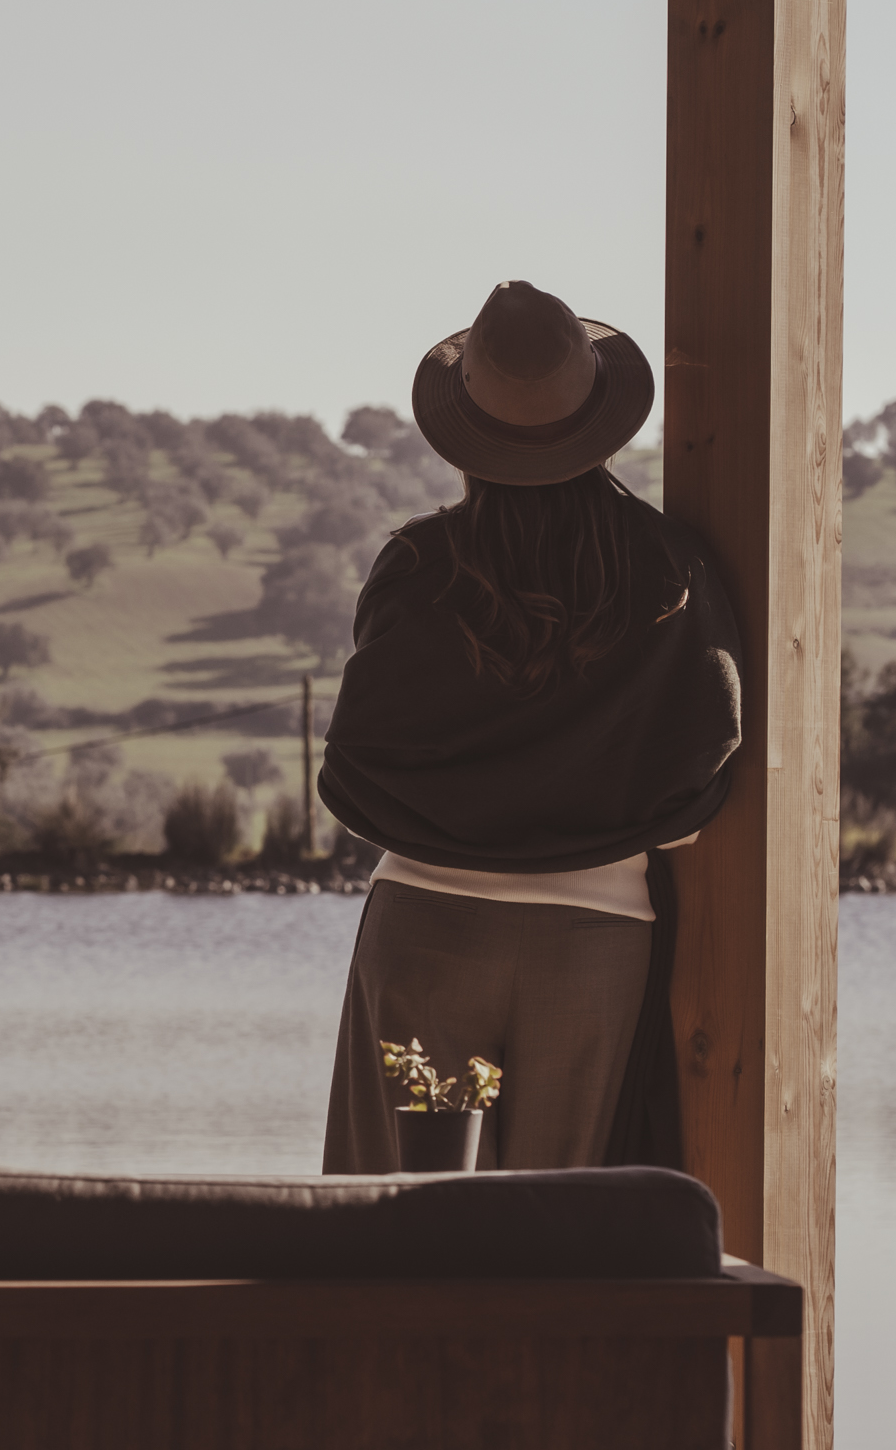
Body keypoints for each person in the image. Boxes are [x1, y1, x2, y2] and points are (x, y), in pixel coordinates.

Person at [319, 280, 746, 1173]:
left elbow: (355, 772)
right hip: (590, 951)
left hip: (424, 939)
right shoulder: (669, 570)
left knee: (396, 1230)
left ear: (464, 430)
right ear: (599, 419)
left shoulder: (418, 564)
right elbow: (700, 788)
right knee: (556, 1241)